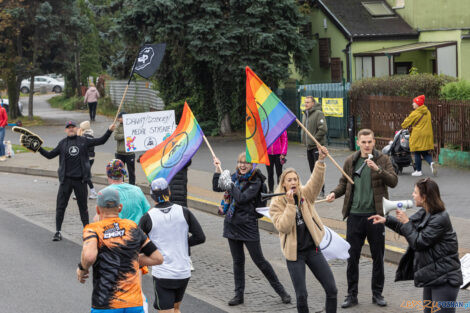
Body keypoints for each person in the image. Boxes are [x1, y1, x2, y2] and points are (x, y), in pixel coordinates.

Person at [326, 129, 398, 308]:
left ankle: (377, 294)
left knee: (378, 257)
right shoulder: (351, 160)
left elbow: (394, 181)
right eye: (363, 142)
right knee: (352, 258)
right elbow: (344, 183)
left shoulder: (383, 159)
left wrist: (378, 169)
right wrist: (334, 193)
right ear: (358, 142)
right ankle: (351, 295)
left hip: (376, 216)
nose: (367, 145)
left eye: (370, 142)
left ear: (374, 142)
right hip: (355, 216)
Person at [369, 178, 463, 313]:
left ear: (424, 197)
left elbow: (418, 242)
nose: (412, 195)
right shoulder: (426, 212)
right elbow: (408, 229)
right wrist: (387, 220)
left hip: (445, 279)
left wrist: (406, 222)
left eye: (415, 192)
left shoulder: (440, 218)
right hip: (433, 276)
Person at [212, 152, 291, 306]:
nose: (242, 165)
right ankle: (238, 295)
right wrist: (217, 170)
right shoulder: (234, 177)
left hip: (248, 225)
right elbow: (217, 187)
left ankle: (282, 292)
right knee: (238, 261)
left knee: (260, 261)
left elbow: (241, 198)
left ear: (253, 164)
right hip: (232, 223)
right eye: (240, 162)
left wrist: (230, 185)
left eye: (246, 162)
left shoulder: (256, 181)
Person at [270, 146, 337, 313]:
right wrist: (291, 205)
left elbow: (315, 182)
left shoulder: (305, 194)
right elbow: (283, 227)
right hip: (294, 255)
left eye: (295, 179)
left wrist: (320, 161)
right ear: (283, 184)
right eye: (289, 180)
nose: (293, 182)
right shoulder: (276, 204)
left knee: (332, 289)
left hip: (312, 249)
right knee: (301, 296)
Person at [77, 187, 164, 313]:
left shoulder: (93, 229)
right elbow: (158, 258)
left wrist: (82, 269)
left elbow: (89, 256)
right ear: (120, 208)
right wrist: (132, 258)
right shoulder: (132, 227)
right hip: (133, 303)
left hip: (106, 303)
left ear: (97, 209)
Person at [38, 120, 115, 241]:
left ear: (77, 129)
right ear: (65, 130)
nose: (71, 129)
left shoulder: (83, 141)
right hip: (66, 181)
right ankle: (58, 231)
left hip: (80, 181)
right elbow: (49, 155)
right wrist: (38, 148)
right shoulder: (62, 143)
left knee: (83, 207)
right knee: (60, 206)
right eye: (68, 127)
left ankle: (87, 231)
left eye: (73, 127)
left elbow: (101, 141)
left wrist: (109, 131)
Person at [138, 178, 206, 313]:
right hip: (183, 272)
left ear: (151, 195)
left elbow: (137, 243)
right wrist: (182, 243)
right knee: (176, 309)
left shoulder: (148, 217)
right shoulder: (184, 211)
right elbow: (200, 237)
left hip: (163, 274)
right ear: (169, 192)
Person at [105, 159, 151, 224]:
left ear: (108, 174)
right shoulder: (137, 190)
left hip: (118, 232)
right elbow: (147, 212)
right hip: (137, 231)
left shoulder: (105, 193)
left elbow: (99, 219)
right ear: (122, 174)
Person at [401, 95, 436, 177]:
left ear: (418, 104)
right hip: (427, 135)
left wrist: (406, 123)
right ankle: (431, 163)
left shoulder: (415, 113)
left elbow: (404, 124)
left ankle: (418, 171)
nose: (412, 104)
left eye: (414, 103)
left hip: (418, 135)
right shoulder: (428, 112)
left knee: (417, 152)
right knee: (424, 152)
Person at [301, 96, 327, 198]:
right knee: (312, 170)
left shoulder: (318, 113)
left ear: (313, 103)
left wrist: (314, 139)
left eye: (308, 102)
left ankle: (322, 191)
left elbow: (323, 129)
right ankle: (314, 191)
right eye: (305, 102)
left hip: (317, 147)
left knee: (318, 170)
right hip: (309, 147)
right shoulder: (305, 114)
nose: (306, 104)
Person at [78, 120, 98, 199]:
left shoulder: (84, 137)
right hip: (90, 158)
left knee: (85, 176)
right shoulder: (90, 135)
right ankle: (80, 192)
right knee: (83, 175)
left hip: (87, 158)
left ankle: (93, 192)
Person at [115, 111, 136, 185]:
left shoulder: (131, 126)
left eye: (120, 118)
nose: (118, 119)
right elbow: (116, 136)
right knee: (120, 171)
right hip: (120, 153)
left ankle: (132, 185)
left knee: (131, 172)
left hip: (130, 153)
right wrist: (125, 135)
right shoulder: (117, 126)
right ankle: (121, 185)